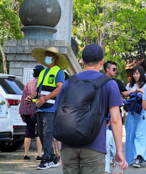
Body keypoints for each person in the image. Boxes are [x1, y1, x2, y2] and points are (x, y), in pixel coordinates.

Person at [54, 44, 127, 174]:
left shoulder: (69, 82)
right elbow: (116, 119)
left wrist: (60, 147)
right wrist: (119, 151)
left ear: (82, 61)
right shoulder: (109, 84)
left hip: (68, 146)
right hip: (94, 146)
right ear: (102, 62)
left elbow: (59, 115)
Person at [32, 46, 68, 170]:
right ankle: (52, 157)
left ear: (54, 58)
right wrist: (29, 97)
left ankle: (47, 158)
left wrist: (45, 98)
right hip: (40, 107)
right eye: (46, 54)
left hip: (51, 107)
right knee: (41, 134)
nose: (47, 56)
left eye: (49, 54)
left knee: (48, 133)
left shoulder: (58, 71)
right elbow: (38, 90)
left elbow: (60, 88)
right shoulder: (43, 72)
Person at [103, 61, 130, 173]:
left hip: (113, 114)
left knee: (113, 141)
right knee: (106, 142)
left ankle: (114, 161)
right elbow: (125, 94)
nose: (115, 71)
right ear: (107, 69)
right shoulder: (104, 81)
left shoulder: (116, 82)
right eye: (113, 69)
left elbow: (125, 93)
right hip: (104, 116)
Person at [122, 65, 146, 168]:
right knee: (130, 135)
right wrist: (134, 92)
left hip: (141, 113)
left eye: (137, 73)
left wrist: (142, 92)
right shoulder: (129, 85)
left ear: (141, 74)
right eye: (134, 73)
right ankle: (130, 158)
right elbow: (124, 96)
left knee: (140, 135)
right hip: (131, 114)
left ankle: (139, 157)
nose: (135, 75)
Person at [20, 69, 44, 161]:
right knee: (39, 132)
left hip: (29, 112)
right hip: (39, 111)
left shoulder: (28, 84)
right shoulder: (42, 84)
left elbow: (23, 99)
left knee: (28, 132)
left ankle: (26, 154)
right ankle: (39, 154)